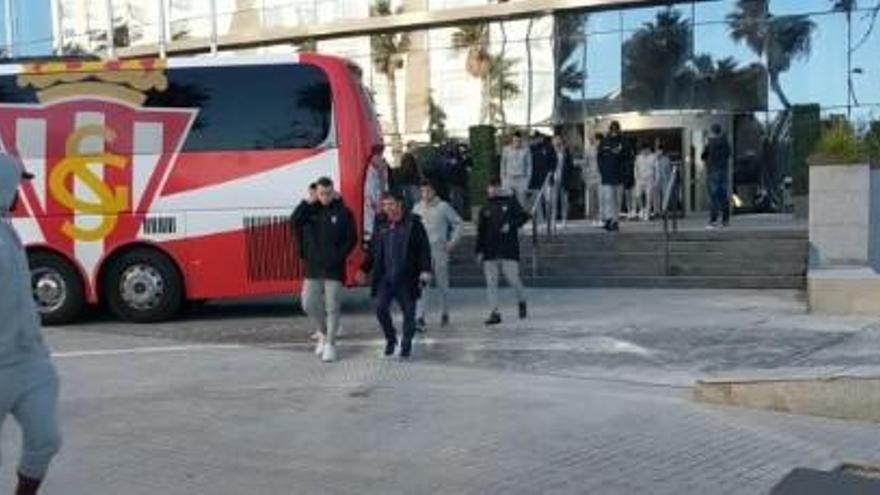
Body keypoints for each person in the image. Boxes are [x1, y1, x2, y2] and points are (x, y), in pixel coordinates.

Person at [0, 154, 62, 495]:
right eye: (18, 186)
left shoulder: (7, 230)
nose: (22, 194)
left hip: (28, 363)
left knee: (46, 439)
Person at [359, 191, 432, 359]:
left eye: (390, 204)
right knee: (380, 308)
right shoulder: (381, 222)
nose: (387, 208)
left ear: (400, 204)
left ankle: (406, 344)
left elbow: (423, 249)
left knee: (409, 313)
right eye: (384, 205)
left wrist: (425, 270)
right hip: (385, 277)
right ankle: (391, 339)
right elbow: (373, 249)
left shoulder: (413, 223)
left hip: (407, 276)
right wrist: (364, 269)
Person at [291, 177, 357, 363]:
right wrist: (307, 202)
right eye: (321, 194)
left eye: (328, 193)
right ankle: (323, 332)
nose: (325, 197)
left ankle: (330, 344)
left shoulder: (343, 211)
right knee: (308, 304)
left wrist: (339, 256)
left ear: (333, 192)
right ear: (316, 193)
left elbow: (351, 238)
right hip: (313, 267)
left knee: (332, 307)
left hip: (334, 268)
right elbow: (294, 221)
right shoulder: (309, 211)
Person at [476, 177, 530, 325]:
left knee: (513, 279)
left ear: (499, 187)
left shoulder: (510, 201)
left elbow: (524, 216)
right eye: (490, 187)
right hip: (490, 250)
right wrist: (479, 250)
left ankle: (521, 299)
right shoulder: (485, 208)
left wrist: (511, 225)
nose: (492, 190)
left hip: (508, 248)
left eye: (494, 187)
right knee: (491, 282)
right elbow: (481, 231)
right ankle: (495, 312)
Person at [413, 181, 463, 329]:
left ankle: (445, 312)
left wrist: (452, 242)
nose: (425, 194)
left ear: (434, 191)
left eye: (428, 191)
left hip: (439, 249)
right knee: (422, 284)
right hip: (422, 252)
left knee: (442, 283)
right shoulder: (417, 208)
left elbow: (458, 223)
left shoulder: (443, 207)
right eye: (423, 191)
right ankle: (420, 315)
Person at [598, 121, 628, 232]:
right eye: (612, 130)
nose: (614, 132)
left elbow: (627, 159)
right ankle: (609, 219)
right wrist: (602, 172)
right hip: (607, 176)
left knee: (617, 200)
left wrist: (626, 174)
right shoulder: (604, 142)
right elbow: (599, 158)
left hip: (619, 176)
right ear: (610, 130)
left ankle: (615, 221)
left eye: (616, 130)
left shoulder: (624, 142)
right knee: (608, 199)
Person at [701, 124, 732, 229]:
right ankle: (725, 220)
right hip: (723, 171)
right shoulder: (725, 143)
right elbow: (728, 154)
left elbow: (703, 156)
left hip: (713, 171)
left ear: (712, 131)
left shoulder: (710, 143)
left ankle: (713, 221)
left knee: (714, 197)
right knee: (723, 196)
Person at [363, 148, 389, 245]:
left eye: (381, 156)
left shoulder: (382, 170)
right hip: (372, 214)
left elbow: (385, 190)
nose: (380, 159)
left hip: (379, 210)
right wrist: (377, 205)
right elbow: (369, 195)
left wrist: (382, 174)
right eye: (378, 156)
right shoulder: (369, 172)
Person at [550, 134, 575, 230]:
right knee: (554, 202)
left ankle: (564, 221)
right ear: (553, 141)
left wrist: (569, 178)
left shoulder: (566, 152)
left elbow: (570, 166)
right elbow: (548, 165)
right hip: (554, 179)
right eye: (555, 140)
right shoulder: (551, 152)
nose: (557, 141)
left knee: (564, 201)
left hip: (564, 179)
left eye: (558, 140)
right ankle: (553, 222)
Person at [500, 131, 532, 206]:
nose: (517, 143)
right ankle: (508, 217)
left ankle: (522, 217)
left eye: (519, 141)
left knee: (521, 201)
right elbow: (502, 164)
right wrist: (503, 178)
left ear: (521, 141)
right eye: (515, 141)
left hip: (521, 179)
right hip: (509, 178)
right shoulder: (506, 149)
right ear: (512, 140)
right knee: (507, 201)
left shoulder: (526, 150)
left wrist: (527, 179)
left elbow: (529, 165)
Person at [633, 141, 657, 221]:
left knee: (649, 198)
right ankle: (642, 209)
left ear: (649, 149)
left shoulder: (653, 157)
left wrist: (656, 180)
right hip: (640, 180)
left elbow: (657, 169)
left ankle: (647, 214)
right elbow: (635, 169)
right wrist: (636, 178)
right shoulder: (638, 157)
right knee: (637, 195)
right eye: (643, 150)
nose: (645, 151)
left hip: (650, 179)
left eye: (646, 150)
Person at [584, 133, 603, 227]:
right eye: (592, 139)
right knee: (592, 199)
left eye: (595, 139)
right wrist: (585, 177)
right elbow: (585, 164)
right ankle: (594, 218)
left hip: (600, 177)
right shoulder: (588, 150)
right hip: (591, 177)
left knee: (600, 198)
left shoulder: (602, 149)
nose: (594, 141)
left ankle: (600, 217)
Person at [397, 142, 423, 209]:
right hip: (411, 183)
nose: (417, 147)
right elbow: (408, 170)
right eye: (415, 145)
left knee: (411, 202)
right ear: (410, 147)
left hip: (409, 182)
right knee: (416, 202)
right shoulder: (408, 157)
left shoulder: (407, 157)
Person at [654, 143, 673, 214]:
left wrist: (669, 181)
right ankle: (657, 210)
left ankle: (664, 210)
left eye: (659, 150)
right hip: (656, 180)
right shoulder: (654, 159)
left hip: (664, 180)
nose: (658, 152)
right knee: (657, 196)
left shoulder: (666, 160)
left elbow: (669, 171)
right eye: (657, 150)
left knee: (665, 195)